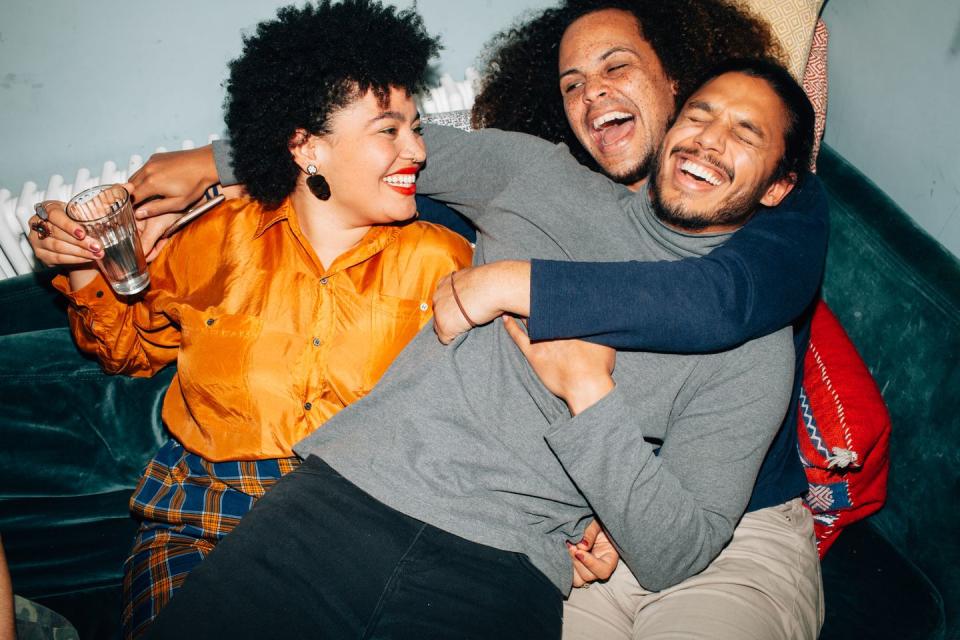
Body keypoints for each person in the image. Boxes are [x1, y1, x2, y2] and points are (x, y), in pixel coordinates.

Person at [141, 58, 815, 639]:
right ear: (670, 125)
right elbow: (364, 141)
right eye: (699, 115)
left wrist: (589, 392)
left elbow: (677, 551)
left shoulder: (750, 344)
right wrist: (210, 161)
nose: (707, 140)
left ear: (780, 187)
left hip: (503, 570)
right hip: (340, 500)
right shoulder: (540, 176)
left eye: (744, 133)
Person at [24, 2, 471, 638]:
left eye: (415, 128)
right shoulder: (214, 240)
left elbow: (498, 400)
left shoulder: (441, 258)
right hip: (206, 524)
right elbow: (127, 351)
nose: (419, 151)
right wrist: (78, 263)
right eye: (389, 130)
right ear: (306, 148)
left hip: (362, 522)